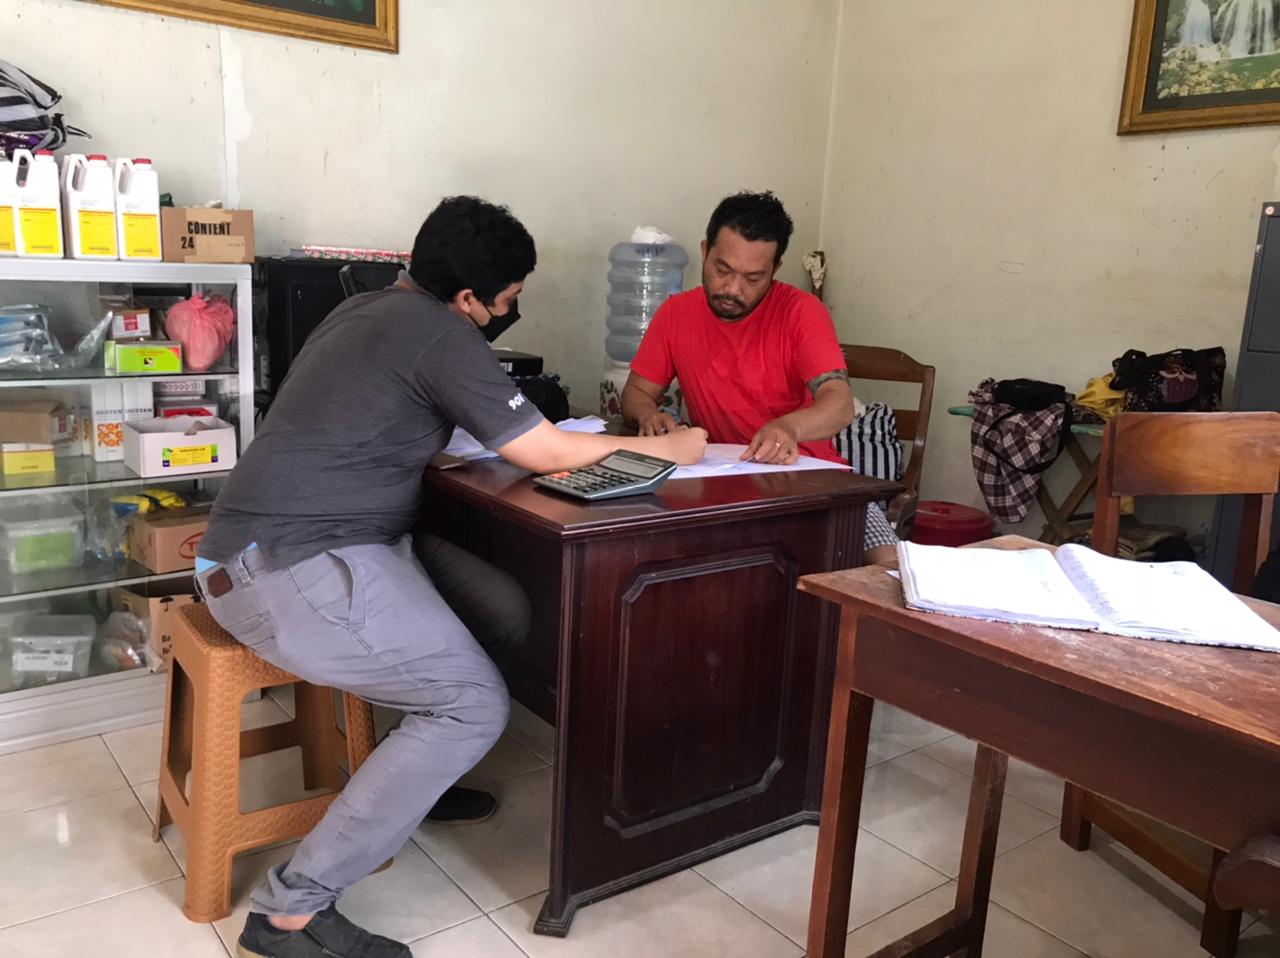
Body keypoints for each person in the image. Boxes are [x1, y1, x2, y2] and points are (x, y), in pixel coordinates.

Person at [195, 195, 707, 958]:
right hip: (280, 565)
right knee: (471, 704)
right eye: (508, 300)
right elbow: (545, 452)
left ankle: (414, 772)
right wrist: (674, 449)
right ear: (468, 298)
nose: (509, 311)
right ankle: (288, 914)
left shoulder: (366, 309)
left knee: (501, 606)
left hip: (330, 539)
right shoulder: (440, 333)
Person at [620, 190, 899, 565]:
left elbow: (839, 403)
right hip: (719, 481)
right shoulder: (675, 315)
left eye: (753, 277)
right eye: (722, 270)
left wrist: (789, 427)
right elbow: (636, 392)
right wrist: (648, 415)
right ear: (704, 251)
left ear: (775, 268)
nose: (733, 289)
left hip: (811, 479)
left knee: (889, 567)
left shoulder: (801, 312)